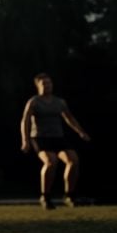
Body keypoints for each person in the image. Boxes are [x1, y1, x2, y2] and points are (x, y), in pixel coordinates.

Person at [20, 73, 91, 210]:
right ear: (38, 86)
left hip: (58, 137)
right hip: (40, 138)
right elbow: (25, 120)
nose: (47, 85)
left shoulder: (60, 102)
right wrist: (25, 140)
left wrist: (80, 131)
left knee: (73, 160)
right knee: (51, 162)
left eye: (49, 83)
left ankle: (69, 195)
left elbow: (69, 118)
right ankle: (45, 197)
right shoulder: (34, 101)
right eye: (44, 83)